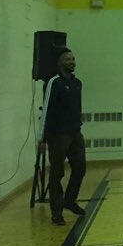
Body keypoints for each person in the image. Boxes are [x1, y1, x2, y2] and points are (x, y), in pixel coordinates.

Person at [38, 48, 86, 226]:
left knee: (80, 168)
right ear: (59, 63)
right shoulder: (53, 83)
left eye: (73, 59)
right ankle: (56, 212)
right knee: (57, 172)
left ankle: (69, 201)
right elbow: (46, 112)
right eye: (67, 59)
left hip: (75, 133)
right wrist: (42, 138)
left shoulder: (77, 83)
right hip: (57, 135)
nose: (72, 62)